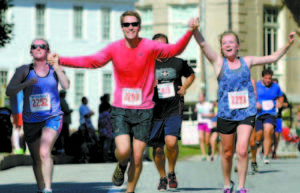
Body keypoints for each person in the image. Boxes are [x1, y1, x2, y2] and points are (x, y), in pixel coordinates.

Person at [48, 11, 199, 193]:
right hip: (121, 109)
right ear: (122, 27)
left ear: (139, 26)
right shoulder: (115, 48)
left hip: (144, 110)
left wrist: (190, 31)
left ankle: (130, 190)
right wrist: (61, 60)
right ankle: (121, 165)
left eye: (134, 24)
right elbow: (92, 61)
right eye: (126, 24)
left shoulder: (150, 46)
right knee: (124, 151)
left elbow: (175, 49)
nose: (130, 27)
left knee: (137, 155)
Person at [193, 23, 295, 192]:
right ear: (221, 47)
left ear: (238, 46)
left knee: (241, 150)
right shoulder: (218, 63)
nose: (228, 45)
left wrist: (288, 43)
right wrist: (195, 30)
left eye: (231, 42)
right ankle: (227, 183)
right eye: (224, 43)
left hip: (246, 113)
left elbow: (273, 58)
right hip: (226, 114)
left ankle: (241, 186)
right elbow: (203, 45)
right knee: (226, 152)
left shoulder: (247, 62)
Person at [5, 38, 69, 193]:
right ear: (31, 51)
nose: (38, 48)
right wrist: (25, 84)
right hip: (31, 119)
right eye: (35, 46)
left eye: (42, 46)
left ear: (48, 50)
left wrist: (57, 66)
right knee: (36, 158)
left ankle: (48, 188)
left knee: (45, 152)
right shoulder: (24, 70)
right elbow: (9, 91)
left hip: (52, 117)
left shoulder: (54, 69)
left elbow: (66, 85)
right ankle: (41, 188)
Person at [148, 33, 195, 191]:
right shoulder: (147, 65)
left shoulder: (178, 62)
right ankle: (162, 177)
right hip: (155, 110)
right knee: (158, 148)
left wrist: (185, 87)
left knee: (171, 142)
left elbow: (191, 74)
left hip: (174, 107)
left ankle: (171, 172)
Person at [254, 69, 284, 165]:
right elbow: (250, 96)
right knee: (259, 133)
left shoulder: (276, 86)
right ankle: (258, 142)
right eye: (266, 78)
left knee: (268, 130)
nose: (268, 80)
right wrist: (255, 103)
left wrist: (280, 103)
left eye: (269, 78)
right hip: (258, 113)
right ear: (262, 77)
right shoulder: (257, 85)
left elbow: (281, 96)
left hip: (270, 113)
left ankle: (266, 155)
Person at [272, 78, 289, 159]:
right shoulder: (268, 93)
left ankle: (274, 151)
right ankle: (265, 150)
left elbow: (287, 104)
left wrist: (281, 104)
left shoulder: (281, 94)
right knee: (268, 133)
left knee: (277, 135)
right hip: (268, 116)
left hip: (278, 117)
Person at [194, 93, 214, 161]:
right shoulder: (197, 105)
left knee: (207, 141)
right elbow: (197, 112)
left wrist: (206, 115)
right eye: (199, 97)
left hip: (208, 123)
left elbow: (212, 114)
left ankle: (209, 150)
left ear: (204, 98)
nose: (200, 98)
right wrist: (195, 111)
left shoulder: (209, 105)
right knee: (201, 139)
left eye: (201, 97)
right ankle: (203, 155)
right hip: (200, 123)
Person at [55, 90, 73, 155]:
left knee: (63, 135)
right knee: (64, 135)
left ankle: (63, 149)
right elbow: (63, 110)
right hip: (63, 121)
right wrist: (69, 111)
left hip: (64, 121)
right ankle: (62, 149)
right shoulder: (60, 100)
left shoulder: (61, 100)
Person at [98, 94, 114, 162]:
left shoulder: (101, 114)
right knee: (107, 144)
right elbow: (110, 123)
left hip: (102, 130)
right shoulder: (107, 114)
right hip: (107, 130)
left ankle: (103, 157)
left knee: (103, 144)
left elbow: (99, 123)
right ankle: (106, 157)